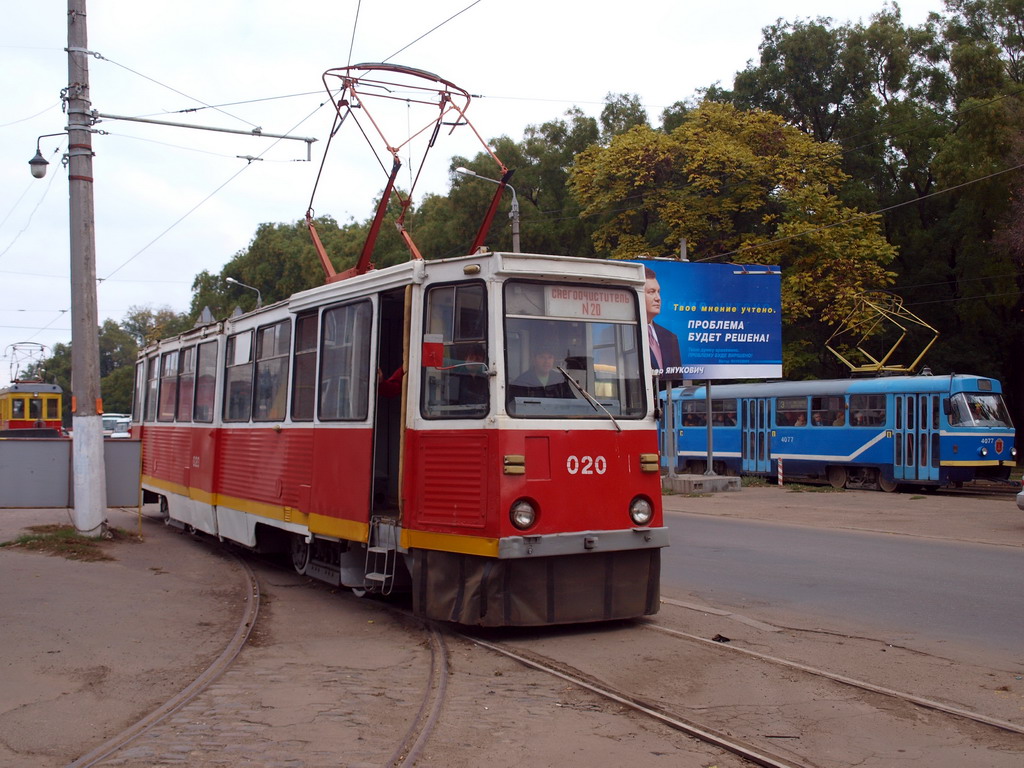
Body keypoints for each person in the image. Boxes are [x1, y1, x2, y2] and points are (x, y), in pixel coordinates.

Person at [644, 266, 682, 378]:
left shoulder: (671, 337)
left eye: (658, 292)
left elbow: (676, 379)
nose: (658, 298)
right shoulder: (620, 335)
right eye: (651, 292)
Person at [509, 348, 574, 399]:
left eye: (550, 357)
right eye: (542, 357)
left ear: (553, 360)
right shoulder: (522, 381)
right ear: (534, 359)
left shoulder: (560, 380)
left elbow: (572, 402)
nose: (547, 361)